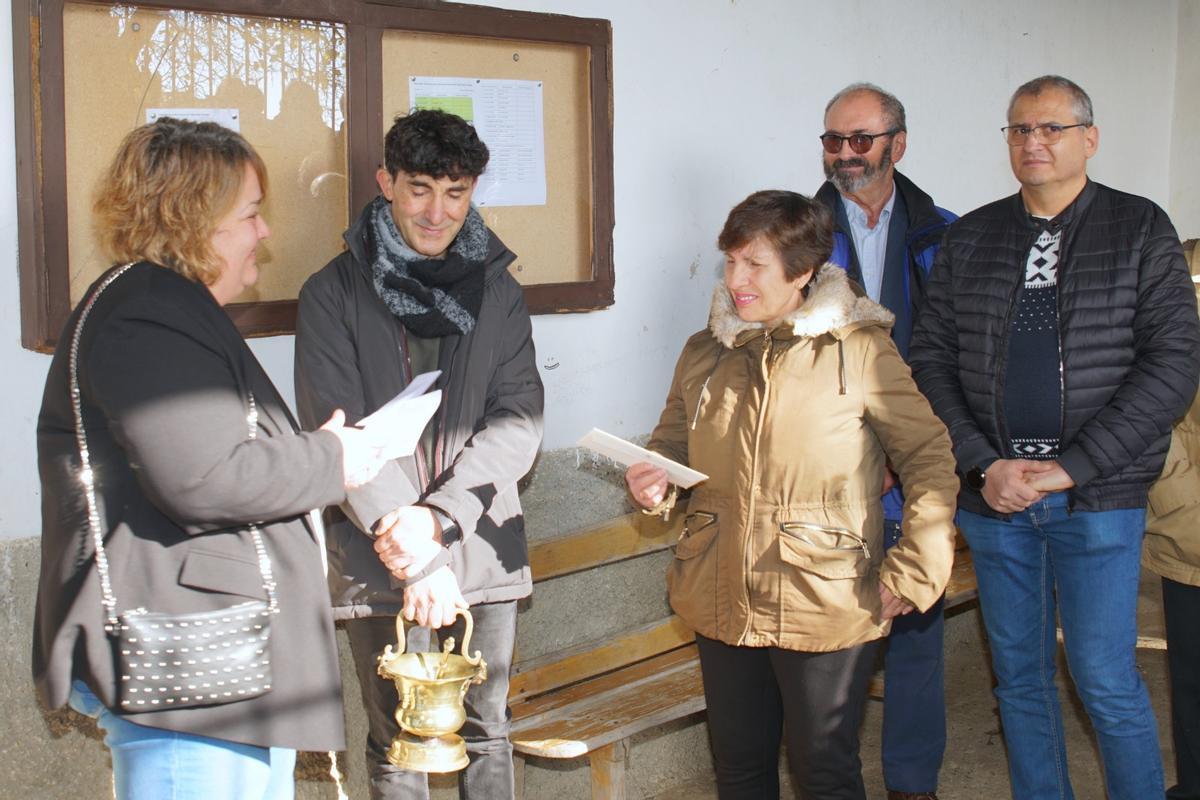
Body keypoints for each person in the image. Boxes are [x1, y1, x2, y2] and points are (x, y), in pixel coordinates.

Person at [33, 118, 387, 799]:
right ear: (191, 218)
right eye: (250, 214)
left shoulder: (162, 306)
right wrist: (332, 458)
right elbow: (204, 477)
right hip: (194, 681)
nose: (265, 233)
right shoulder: (147, 312)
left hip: (214, 678)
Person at [909, 75, 1200, 800]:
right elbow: (931, 361)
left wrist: (1075, 466)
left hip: (1099, 499)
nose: (1032, 142)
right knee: (1021, 682)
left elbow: (1173, 365)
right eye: (1018, 129)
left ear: (1089, 139)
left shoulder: (1138, 228)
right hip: (997, 503)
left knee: (1105, 679)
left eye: (1050, 128)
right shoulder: (971, 236)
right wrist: (981, 467)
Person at [625, 190, 958, 800]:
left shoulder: (858, 350)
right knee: (740, 767)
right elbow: (670, 445)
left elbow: (929, 456)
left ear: (802, 271)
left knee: (823, 770)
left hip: (822, 594)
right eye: (730, 261)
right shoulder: (705, 352)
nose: (736, 279)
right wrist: (655, 483)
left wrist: (917, 565)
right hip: (720, 585)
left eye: (755, 264)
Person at [294, 109, 543, 800]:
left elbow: (518, 420)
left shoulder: (498, 289)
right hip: (381, 549)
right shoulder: (331, 293)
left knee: (485, 728)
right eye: (420, 189)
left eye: (456, 192)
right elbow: (333, 429)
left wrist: (440, 522)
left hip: (480, 538)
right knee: (400, 740)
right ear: (386, 182)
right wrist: (413, 548)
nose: (438, 212)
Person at [816, 82, 957, 800]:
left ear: (898, 145)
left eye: (860, 139)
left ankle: (911, 783)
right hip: (831, 472)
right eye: (833, 141)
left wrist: (911, 460)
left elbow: (965, 355)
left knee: (917, 630)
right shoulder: (797, 234)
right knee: (831, 641)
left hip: (918, 459)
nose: (845, 154)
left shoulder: (946, 231)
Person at [1145, 240, 1200, 800]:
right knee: (1192, 679)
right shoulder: (1182, 268)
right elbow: (1155, 396)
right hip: (1193, 523)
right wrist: (1182, 503)